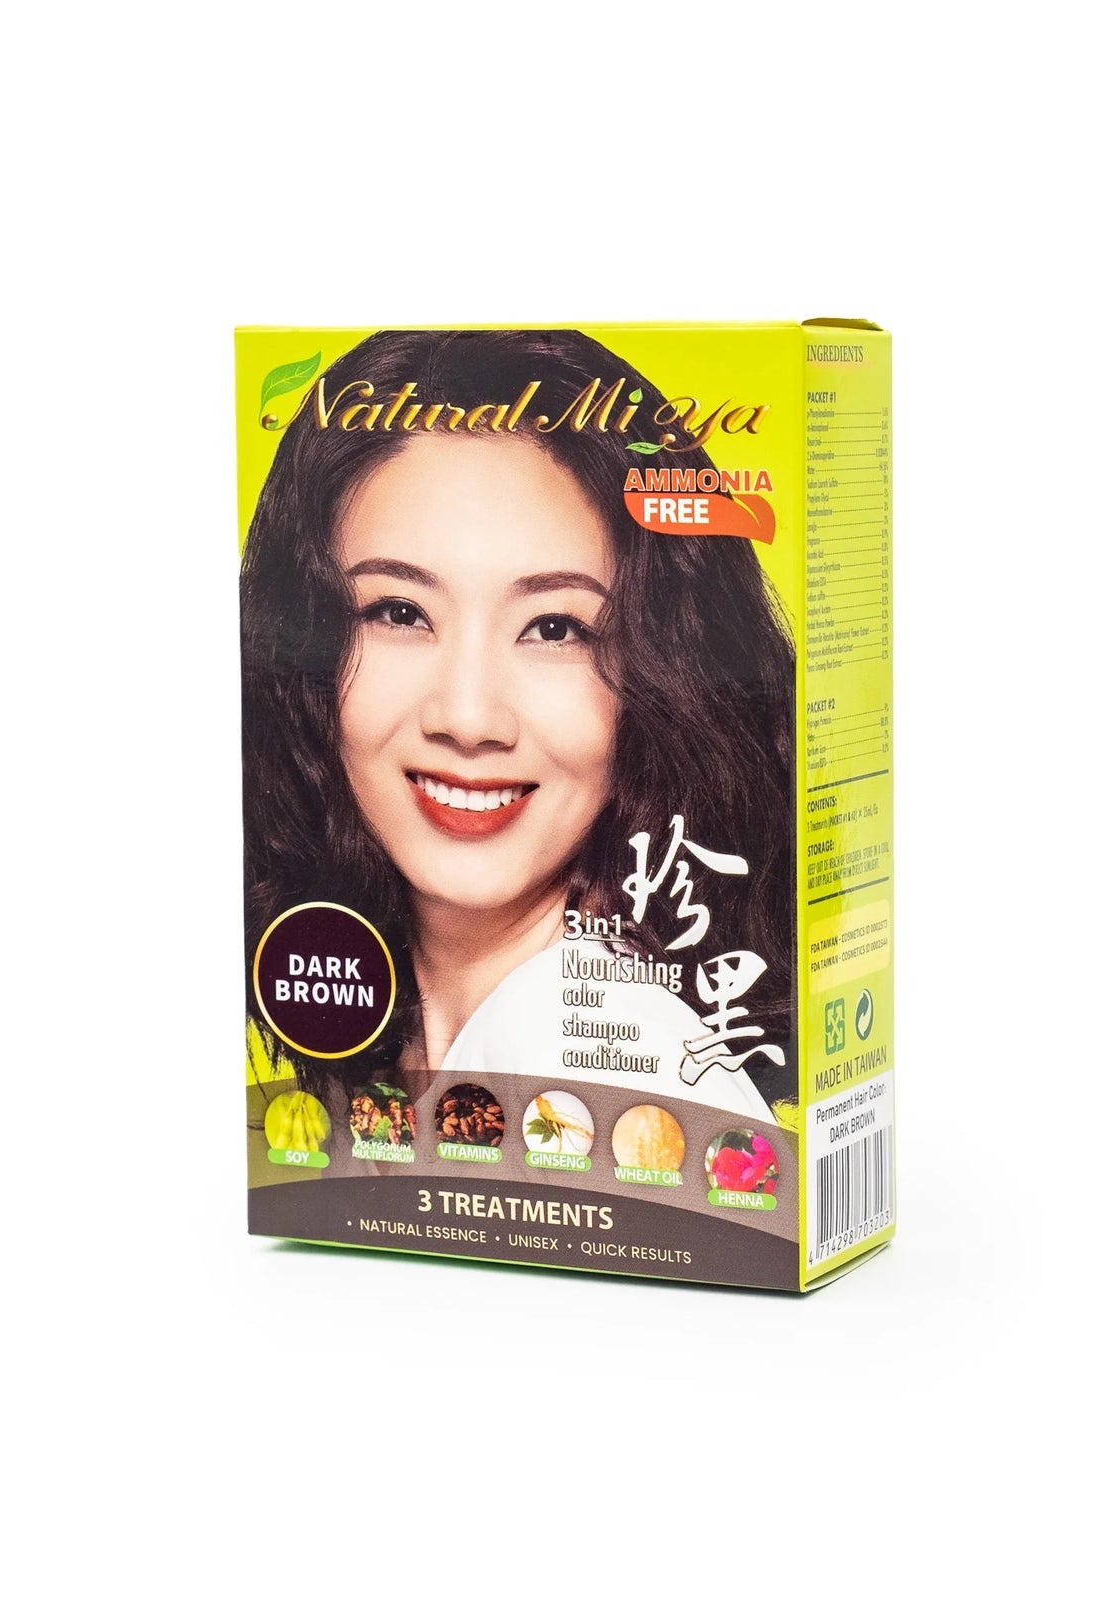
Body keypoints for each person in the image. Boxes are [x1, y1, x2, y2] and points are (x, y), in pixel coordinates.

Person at [241, 329, 795, 1122]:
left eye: (555, 628)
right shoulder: (398, 1048)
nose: (468, 718)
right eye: (399, 612)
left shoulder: (573, 1046)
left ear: (664, 679)